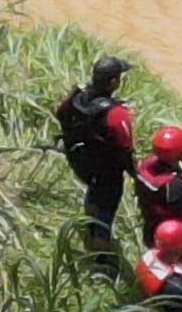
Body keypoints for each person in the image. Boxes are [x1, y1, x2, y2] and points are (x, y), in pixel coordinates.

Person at [55, 56, 135, 255]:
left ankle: (88, 225)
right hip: (107, 171)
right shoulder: (116, 114)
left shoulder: (78, 96)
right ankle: (101, 258)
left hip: (81, 162)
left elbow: (61, 113)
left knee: (93, 192)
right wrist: (137, 175)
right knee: (106, 212)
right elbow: (126, 148)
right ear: (114, 82)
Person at [133, 124, 182, 252]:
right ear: (180, 152)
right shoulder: (176, 187)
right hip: (170, 233)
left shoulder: (146, 167)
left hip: (151, 222)